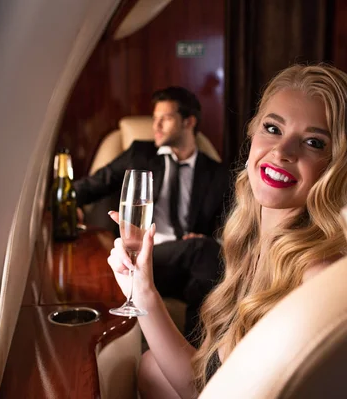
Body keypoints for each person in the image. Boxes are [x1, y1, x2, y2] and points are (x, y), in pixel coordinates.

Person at [106, 64, 347, 398]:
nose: (282, 151)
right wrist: (143, 288)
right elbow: (208, 386)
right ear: (252, 134)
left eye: (313, 142)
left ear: (342, 166)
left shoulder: (320, 278)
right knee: (151, 367)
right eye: (272, 128)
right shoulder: (249, 247)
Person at [74, 86, 230, 341]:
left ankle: (178, 357)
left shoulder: (217, 173)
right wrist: (71, 206)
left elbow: (231, 225)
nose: (155, 125)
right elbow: (91, 186)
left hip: (186, 263)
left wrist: (208, 239)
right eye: (154, 118)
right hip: (143, 255)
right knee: (203, 254)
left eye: (164, 118)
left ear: (188, 121)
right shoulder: (140, 155)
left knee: (203, 275)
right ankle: (194, 354)